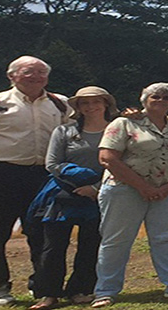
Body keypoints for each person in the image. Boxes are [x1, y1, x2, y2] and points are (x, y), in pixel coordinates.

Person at [0, 56, 66, 307]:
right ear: (12, 76)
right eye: (28, 72)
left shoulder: (60, 104)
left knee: (44, 234)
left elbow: (74, 135)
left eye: (41, 72)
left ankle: (43, 287)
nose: (36, 77)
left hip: (43, 176)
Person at [92, 83, 168, 306]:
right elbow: (107, 158)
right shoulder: (124, 123)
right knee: (116, 240)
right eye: (155, 96)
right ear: (144, 99)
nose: (161, 100)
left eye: (167, 97)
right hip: (123, 189)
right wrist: (142, 187)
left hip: (166, 190)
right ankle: (106, 291)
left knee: (166, 238)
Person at [28, 86, 115, 310]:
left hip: (101, 194)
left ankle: (81, 289)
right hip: (63, 193)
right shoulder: (64, 131)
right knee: (53, 246)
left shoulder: (117, 130)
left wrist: (95, 188)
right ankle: (49, 294)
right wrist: (77, 181)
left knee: (91, 245)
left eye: (96, 101)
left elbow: (123, 163)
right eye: (84, 103)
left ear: (106, 104)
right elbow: (52, 163)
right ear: (77, 107)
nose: (90, 106)